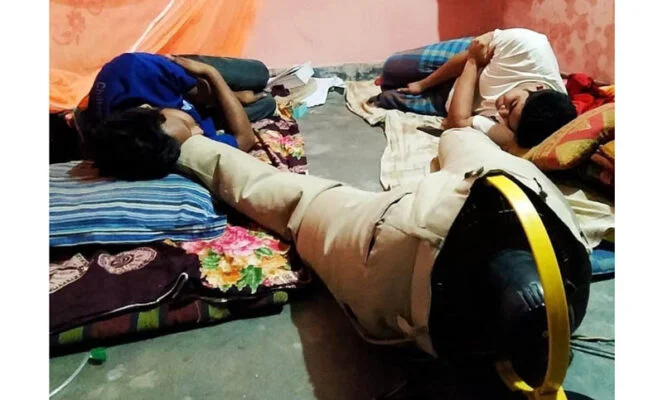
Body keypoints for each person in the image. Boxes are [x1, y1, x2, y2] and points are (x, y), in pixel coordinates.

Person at [172, 123, 592, 384]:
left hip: (398, 251)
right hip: (505, 195)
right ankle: (189, 144)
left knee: (297, 199)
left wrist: (187, 142)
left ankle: (190, 146)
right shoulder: (570, 274)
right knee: (462, 136)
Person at [372, 29, 577, 153]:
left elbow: (456, 122)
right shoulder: (528, 49)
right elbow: (477, 47)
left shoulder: (529, 127)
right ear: (539, 88)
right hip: (462, 60)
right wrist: (423, 84)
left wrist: (473, 64)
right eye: (512, 103)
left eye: (507, 120)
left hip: (455, 99)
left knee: (386, 98)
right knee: (391, 68)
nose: (501, 111)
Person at [77, 53, 277, 180]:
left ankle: (234, 94)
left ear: (149, 108)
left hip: (189, 84)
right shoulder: (159, 151)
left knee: (259, 73)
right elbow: (245, 138)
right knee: (268, 104)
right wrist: (213, 74)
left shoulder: (134, 70)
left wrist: (206, 73)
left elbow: (200, 92)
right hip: (204, 100)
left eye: (188, 123)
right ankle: (232, 96)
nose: (199, 131)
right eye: (192, 136)